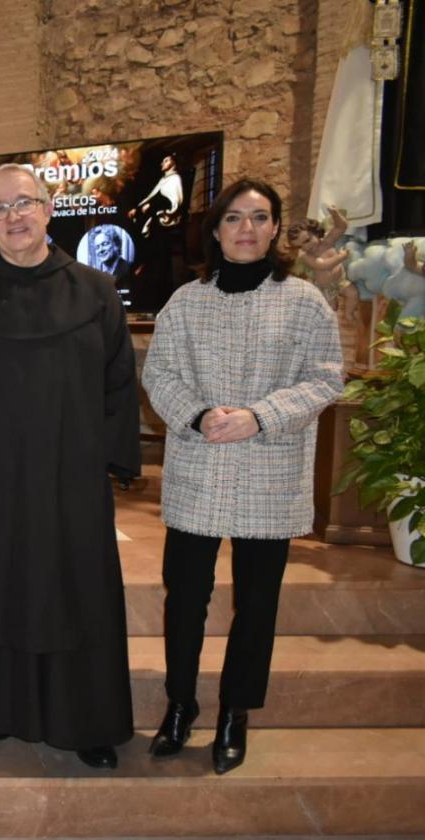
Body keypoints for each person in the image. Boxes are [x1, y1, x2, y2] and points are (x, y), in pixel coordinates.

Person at [0, 162, 140, 770]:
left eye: (23, 204)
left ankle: (85, 722)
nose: (13, 217)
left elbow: (120, 384)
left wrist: (111, 462)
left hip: (74, 478)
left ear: (46, 209)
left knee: (77, 592)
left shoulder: (95, 293)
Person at [141, 178, 343, 774]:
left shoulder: (305, 300)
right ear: (216, 229)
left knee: (257, 603)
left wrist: (260, 417)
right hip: (199, 468)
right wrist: (201, 415)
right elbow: (161, 375)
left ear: (276, 228)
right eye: (234, 219)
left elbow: (326, 378)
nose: (246, 229)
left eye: (259, 218)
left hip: (269, 471)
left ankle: (236, 713)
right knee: (186, 599)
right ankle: (180, 705)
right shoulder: (187, 300)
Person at [129, 153, 184, 236]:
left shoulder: (175, 178)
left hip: (165, 217)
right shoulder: (163, 179)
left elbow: (172, 202)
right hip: (153, 212)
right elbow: (152, 197)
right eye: (162, 161)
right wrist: (137, 208)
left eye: (166, 161)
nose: (162, 164)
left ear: (173, 163)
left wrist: (151, 205)